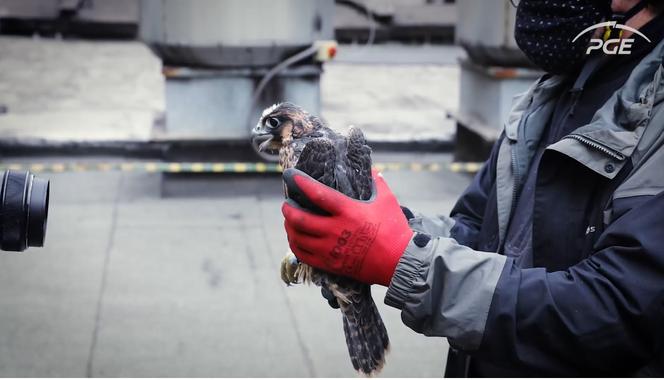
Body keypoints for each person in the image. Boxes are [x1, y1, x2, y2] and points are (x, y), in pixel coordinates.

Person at [281, 0, 664, 377]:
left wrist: (403, 259)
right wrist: (387, 234)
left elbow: (619, 312)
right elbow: (480, 231)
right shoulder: (561, 85)